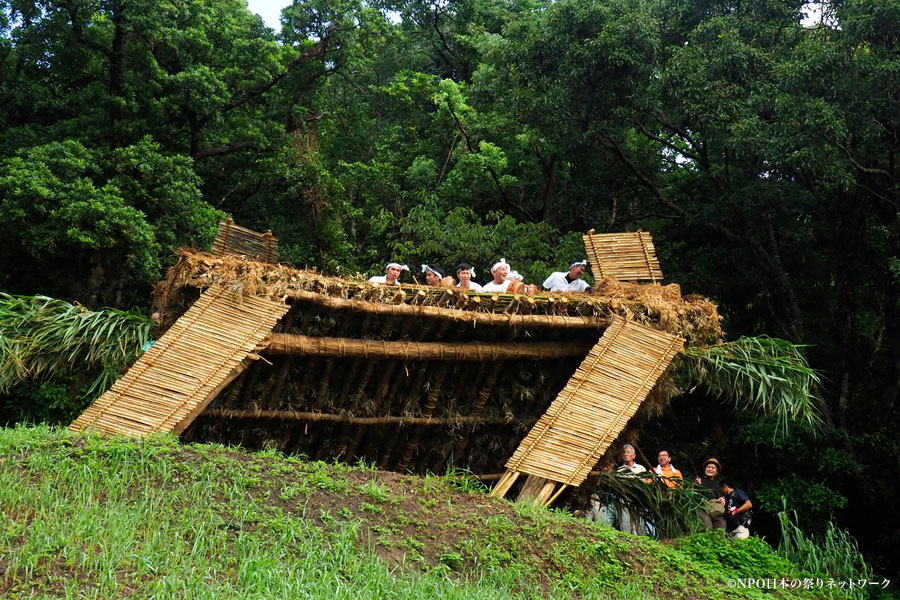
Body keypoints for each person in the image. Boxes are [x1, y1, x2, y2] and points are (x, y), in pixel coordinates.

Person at [617, 444, 648, 536]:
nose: (625, 454)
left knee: (640, 522)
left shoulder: (640, 468)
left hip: (639, 499)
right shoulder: (620, 470)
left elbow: (645, 484)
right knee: (625, 523)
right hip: (625, 500)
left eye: (628, 452)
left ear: (633, 456)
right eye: (623, 453)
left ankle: (643, 543)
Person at [694, 458, 726, 529]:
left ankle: (719, 540)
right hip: (701, 508)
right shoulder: (698, 480)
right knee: (707, 526)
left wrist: (723, 498)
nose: (710, 469)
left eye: (713, 468)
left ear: (716, 472)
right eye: (708, 467)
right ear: (705, 469)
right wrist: (695, 485)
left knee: (721, 524)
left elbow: (721, 496)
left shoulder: (717, 484)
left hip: (713, 509)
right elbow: (689, 492)